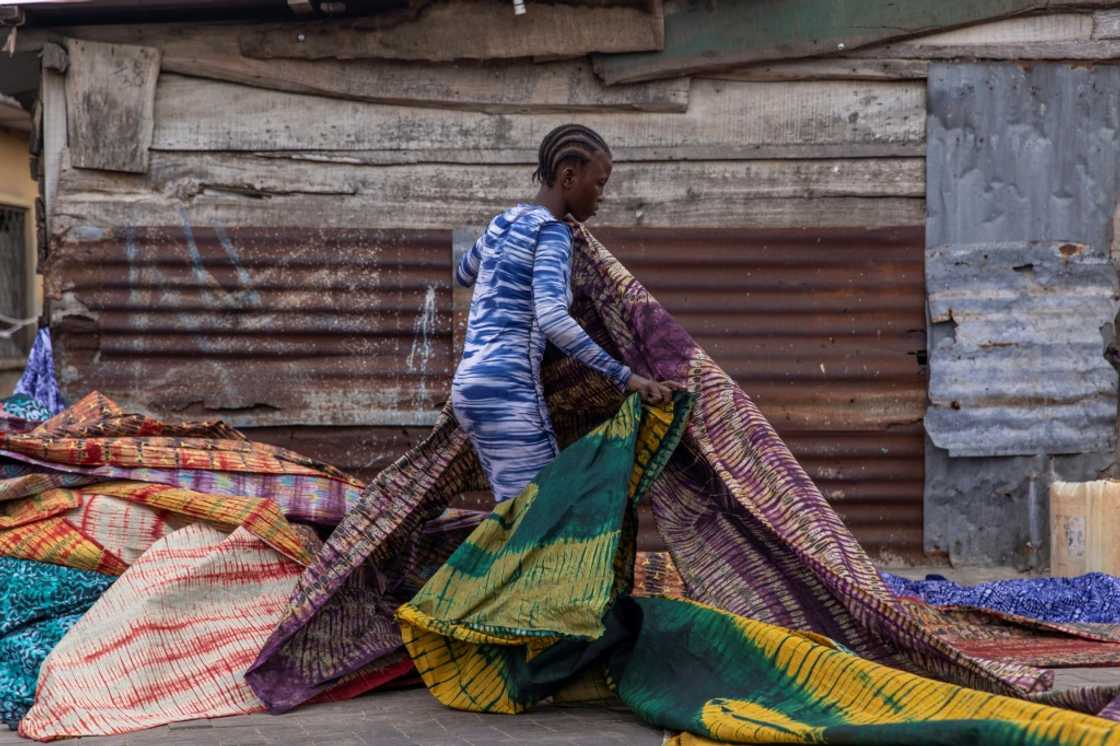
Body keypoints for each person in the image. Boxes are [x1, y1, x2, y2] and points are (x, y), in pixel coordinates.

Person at [451, 123, 675, 503]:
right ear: (569, 177)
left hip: (470, 390)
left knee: (512, 515)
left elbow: (463, 273)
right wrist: (626, 377)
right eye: (599, 183)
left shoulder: (500, 223)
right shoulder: (553, 234)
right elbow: (553, 318)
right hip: (509, 390)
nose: (601, 196)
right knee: (541, 516)